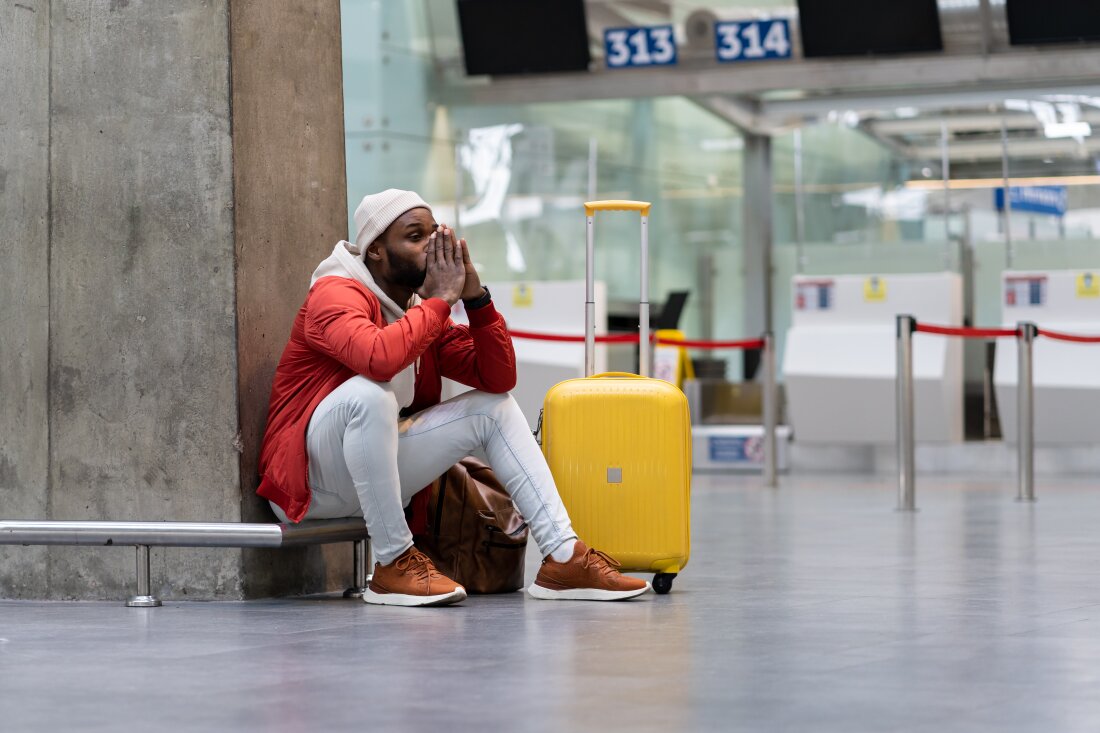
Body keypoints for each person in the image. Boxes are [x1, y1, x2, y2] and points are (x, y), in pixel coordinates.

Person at [257, 189, 650, 607]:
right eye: (414, 236)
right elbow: (378, 359)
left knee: (492, 408)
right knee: (368, 395)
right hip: (312, 481)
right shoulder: (335, 293)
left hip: (371, 481)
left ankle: (563, 556)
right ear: (375, 251)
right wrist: (441, 300)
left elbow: (498, 377)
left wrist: (476, 298)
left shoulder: (417, 311)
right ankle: (392, 564)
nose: (431, 245)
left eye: (434, 233)